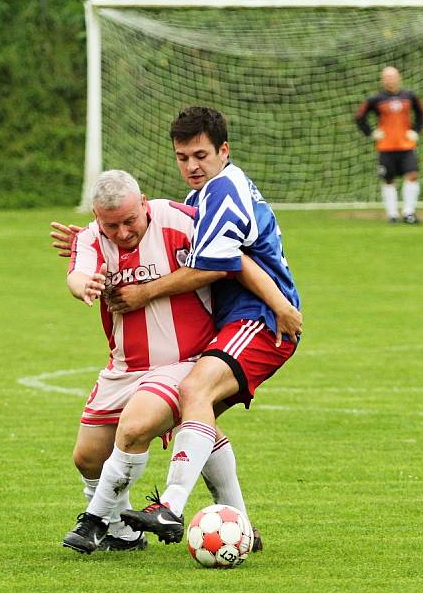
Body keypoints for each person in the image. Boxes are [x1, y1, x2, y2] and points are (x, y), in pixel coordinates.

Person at [102, 106, 302, 546]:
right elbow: (151, 224)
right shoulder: (201, 197)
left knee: (193, 392)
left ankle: (171, 506)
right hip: (239, 320)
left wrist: (146, 291)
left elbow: (218, 267)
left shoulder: (223, 191)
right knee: (196, 415)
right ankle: (242, 529)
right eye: (182, 157)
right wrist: (90, 238)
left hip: (258, 321)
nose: (191, 166)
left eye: (200, 155)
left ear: (223, 150)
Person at [60, 169, 289, 554]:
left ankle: (94, 522)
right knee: (87, 457)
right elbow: (78, 274)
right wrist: (84, 285)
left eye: (130, 220)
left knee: (136, 428)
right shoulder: (90, 237)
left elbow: (229, 256)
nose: (122, 233)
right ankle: (125, 531)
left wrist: (281, 302)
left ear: (145, 203)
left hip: (184, 359)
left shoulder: (181, 220)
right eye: (111, 225)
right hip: (123, 367)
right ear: (98, 219)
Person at [355, 66, 423, 224]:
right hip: (386, 147)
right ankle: (392, 214)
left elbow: (422, 114)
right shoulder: (376, 99)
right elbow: (360, 117)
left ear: (399, 78)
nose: (390, 80)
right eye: (387, 77)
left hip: (407, 146)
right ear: (383, 80)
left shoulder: (410, 96)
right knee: (389, 180)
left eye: (392, 76)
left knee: (413, 175)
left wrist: (416, 131)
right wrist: (371, 133)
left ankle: (409, 213)